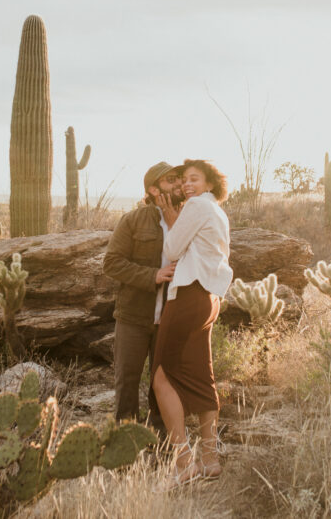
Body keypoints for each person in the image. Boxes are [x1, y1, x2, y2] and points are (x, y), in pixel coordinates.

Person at [152, 159, 233, 488]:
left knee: (161, 376)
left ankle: (184, 462)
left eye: (194, 179)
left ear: (210, 184)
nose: (187, 185)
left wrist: (173, 217)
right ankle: (210, 460)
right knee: (202, 376)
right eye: (184, 180)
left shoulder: (197, 206)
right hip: (209, 299)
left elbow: (171, 249)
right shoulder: (217, 211)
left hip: (187, 296)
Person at [103, 161, 185, 432]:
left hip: (171, 317)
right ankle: (125, 448)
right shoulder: (133, 221)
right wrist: (153, 275)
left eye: (179, 179)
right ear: (153, 189)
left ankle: (161, 445)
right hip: (133, 317)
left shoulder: (188, 219)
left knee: (163, 381)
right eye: (170, 179)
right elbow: (112, 263)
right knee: (127, 381)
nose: (178, 184)